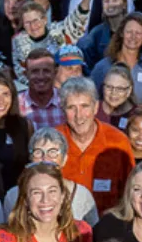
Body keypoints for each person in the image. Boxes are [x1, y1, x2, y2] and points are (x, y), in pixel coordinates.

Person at [57, 77, 134, 215]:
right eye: (71, 108)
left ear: (96, 107)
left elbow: (131, 190)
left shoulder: (118, 141)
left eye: (84, 106)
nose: (79, 116)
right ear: (63, 110)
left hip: (107, 227)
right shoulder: (52, 142)